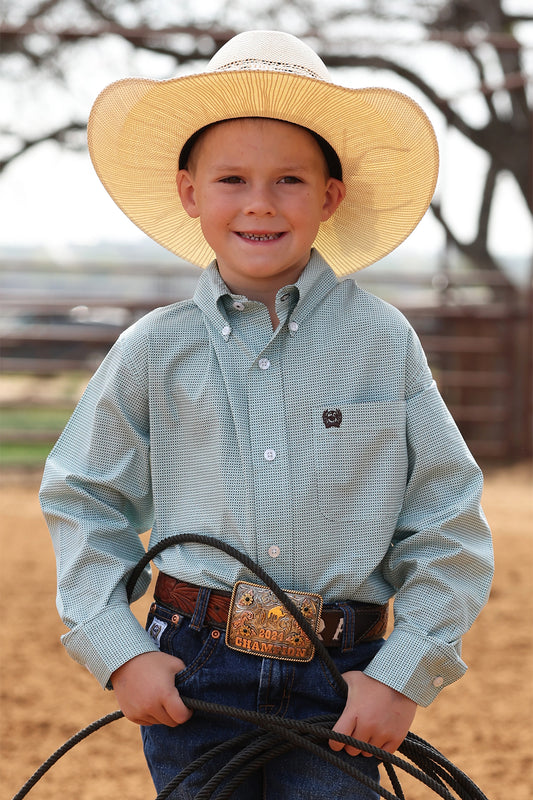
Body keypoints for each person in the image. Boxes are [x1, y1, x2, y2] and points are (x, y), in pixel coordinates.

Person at [40, 30, 493, 799]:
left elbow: (446, 520)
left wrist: (402, 674)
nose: (258, 202)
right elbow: (85, 497)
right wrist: (119, 648)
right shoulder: (153, 348)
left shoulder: (383, 343)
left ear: (328, 196)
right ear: (190, 192)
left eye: (288, 179)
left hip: (340, 679)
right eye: (231, 179)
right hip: (194, 670)